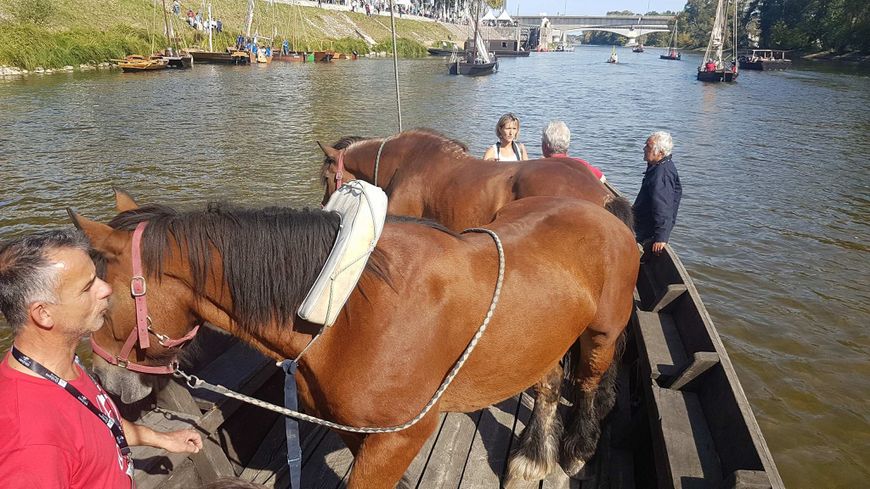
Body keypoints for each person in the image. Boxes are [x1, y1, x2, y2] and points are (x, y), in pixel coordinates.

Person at [0, 230, 203, 488]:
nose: (106, 289)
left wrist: (161, 439)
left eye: (97, 277)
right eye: (88, 286)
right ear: (43, 314)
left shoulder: (60, 364)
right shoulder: (29, 443)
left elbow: (99, 421)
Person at [632, 131, 682, 256]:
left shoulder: (662, 174)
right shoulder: (657, 166)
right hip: (639, 221)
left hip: (643, 230)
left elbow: (663, 206)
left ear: (660, 153)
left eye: (648, 147)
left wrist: (661, 237)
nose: (644, 148)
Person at [541, 120, 606, 182]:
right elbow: (602, 178)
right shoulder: (580, 164)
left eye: (542, 141)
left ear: (545, 145)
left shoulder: (538, 165)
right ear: (567, 144)